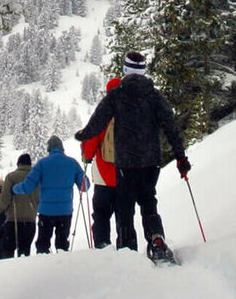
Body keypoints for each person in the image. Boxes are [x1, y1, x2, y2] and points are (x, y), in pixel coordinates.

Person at [74, 51, 191, 265]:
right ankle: (156, 240)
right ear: (144, 70)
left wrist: (83, 135)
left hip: (125, 163)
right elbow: (170, 128)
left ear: (125, 70)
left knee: (125, 206)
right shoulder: (154, 96)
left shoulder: (117, 95)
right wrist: (180, 158)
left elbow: (99, 120)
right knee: (148, 201)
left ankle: (127, 252)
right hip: (150, 161)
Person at [13, 135, 89, 253]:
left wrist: (14, 189)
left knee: (43, 245)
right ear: (62, 148)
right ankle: (62, 266)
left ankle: (45, 267)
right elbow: (85, 186)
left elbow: (27, 186)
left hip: (46, 212)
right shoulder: (72, 163)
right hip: (65, 211)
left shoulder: (42, 164)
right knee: (62, 245)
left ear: (49, 149)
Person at [80, 78, 121, 249]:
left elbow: (91, 141)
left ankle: (102, 246)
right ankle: (126, 246)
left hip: (104, 175)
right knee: (123, 214)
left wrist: (86, 157)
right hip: (126, 175)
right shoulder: (134, 112)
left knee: (102, 214)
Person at [0, 153, 39, 258]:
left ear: (18, 164)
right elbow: (39, 198)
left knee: (8, 250)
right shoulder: (36, 177)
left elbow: (5, 198)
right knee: (24, 251)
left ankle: (9, 273)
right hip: (30, 221)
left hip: (13, 221)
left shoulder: (11, 177)